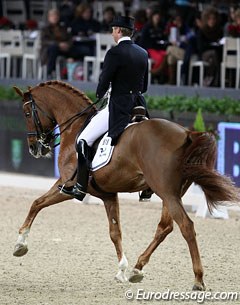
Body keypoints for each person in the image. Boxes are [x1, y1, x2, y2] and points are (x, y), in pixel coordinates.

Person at [60, 15, 149, 201]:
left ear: (118, 30)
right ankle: (147, 188)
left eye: (112, 30)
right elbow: (145, 86)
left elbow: (105, 79)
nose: (112, 33)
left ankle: (80, 186)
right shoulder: (142, 53)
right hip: (138, 104)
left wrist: (100, 93)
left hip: (118, 106)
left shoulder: (114, 53)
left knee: (83, 140)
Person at [40, 8, 73, 79]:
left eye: (56, 15)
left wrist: (67, 45)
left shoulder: (63, 28)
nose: (55, 17)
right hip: (49, 50)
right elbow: (44, 41)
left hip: (63, 50)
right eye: (52, 16)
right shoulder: (45, 29)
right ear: (49, 18)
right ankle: (50, 71)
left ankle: (72, 73)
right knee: (53, 48)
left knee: (80, 49)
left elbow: (70, 39)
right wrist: (58, 44)